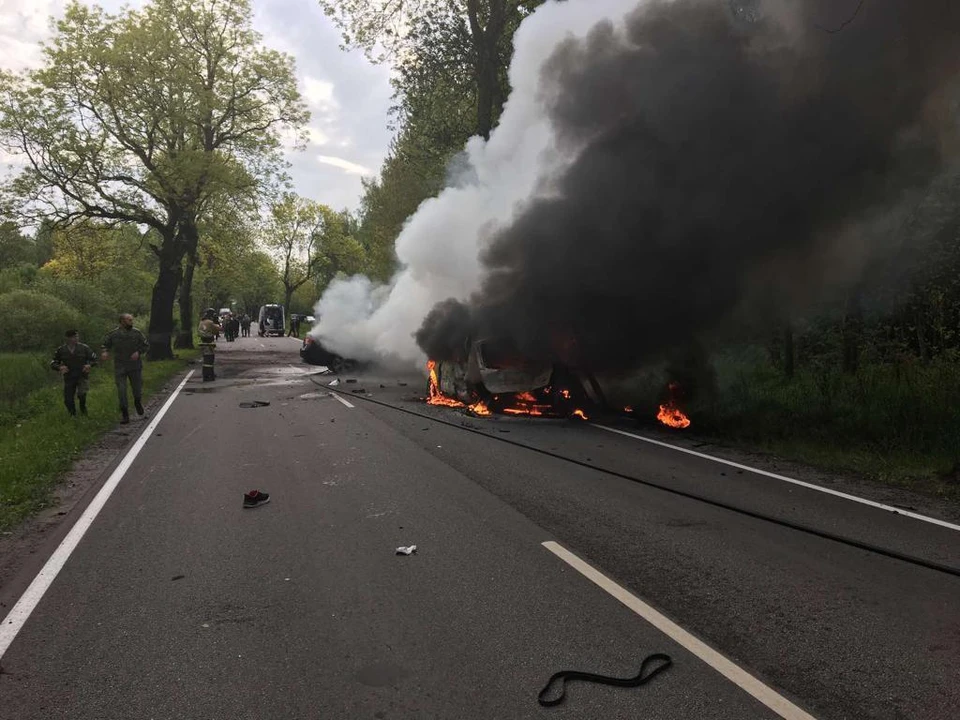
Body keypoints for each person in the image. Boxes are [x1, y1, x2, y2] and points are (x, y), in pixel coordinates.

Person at [101, 313, 149, 424]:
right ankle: (125, 414)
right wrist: (105, 352)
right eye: (129, 320)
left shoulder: (137, 333)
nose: (131, 322)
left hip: (135, 366)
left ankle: (137, 402)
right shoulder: (114, 334)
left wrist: (138, 352)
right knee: (121, 391)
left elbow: (146, 345)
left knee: (137, 390)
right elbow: (105, 344)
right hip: (120, 366)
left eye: (132, 320)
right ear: (122, 321)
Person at [50, 330, 97, 417]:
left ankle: (83, 409)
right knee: (68, 399)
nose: (76, 338)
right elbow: (53, 363)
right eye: (74, 337)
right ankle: (73, 416)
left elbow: (94, 359)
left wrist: (89, 365)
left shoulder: (84, 348)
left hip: (82, 375)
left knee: (82, 395)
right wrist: (60, 367)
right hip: (69, 377)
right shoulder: (61, 350)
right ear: (68, 338)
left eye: (77, 336)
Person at [198, 308, 222, 381]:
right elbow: (218, 329)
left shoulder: (201, 322)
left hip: (203, 342)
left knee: (205, 359)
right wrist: (217, 323)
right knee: (210, 359)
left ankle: (206, 374)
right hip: (209, 342)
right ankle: (209, 375)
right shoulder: (210, 322)